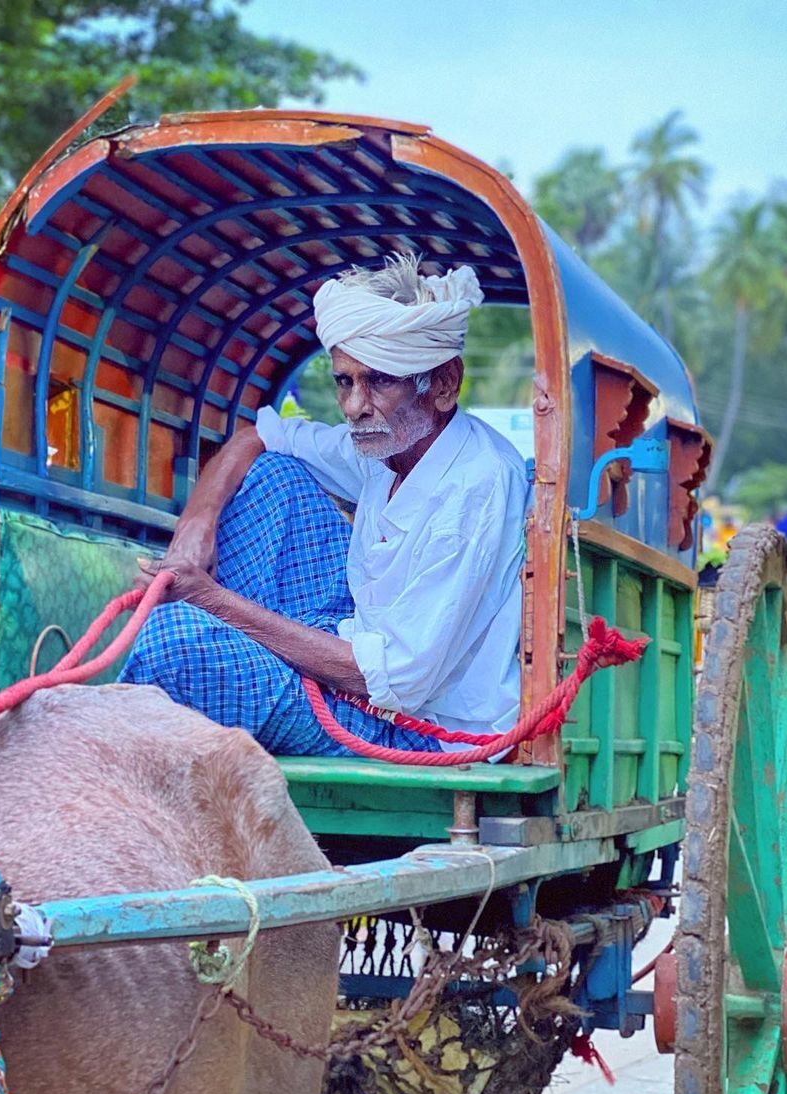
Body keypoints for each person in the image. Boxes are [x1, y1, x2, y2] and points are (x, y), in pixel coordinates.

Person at [123, 252, 529, 756]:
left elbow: (390, 682)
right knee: (274, 475)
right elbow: (258, 437)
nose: (356, 407)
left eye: (378, 380)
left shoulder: (477, 484)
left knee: (173, 646)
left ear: (442, 385)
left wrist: (208, 599)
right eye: (345, 382)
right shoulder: (388, 444)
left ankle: (117, 757)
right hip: (350, 656)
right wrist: (194, 528)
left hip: (408, 726)